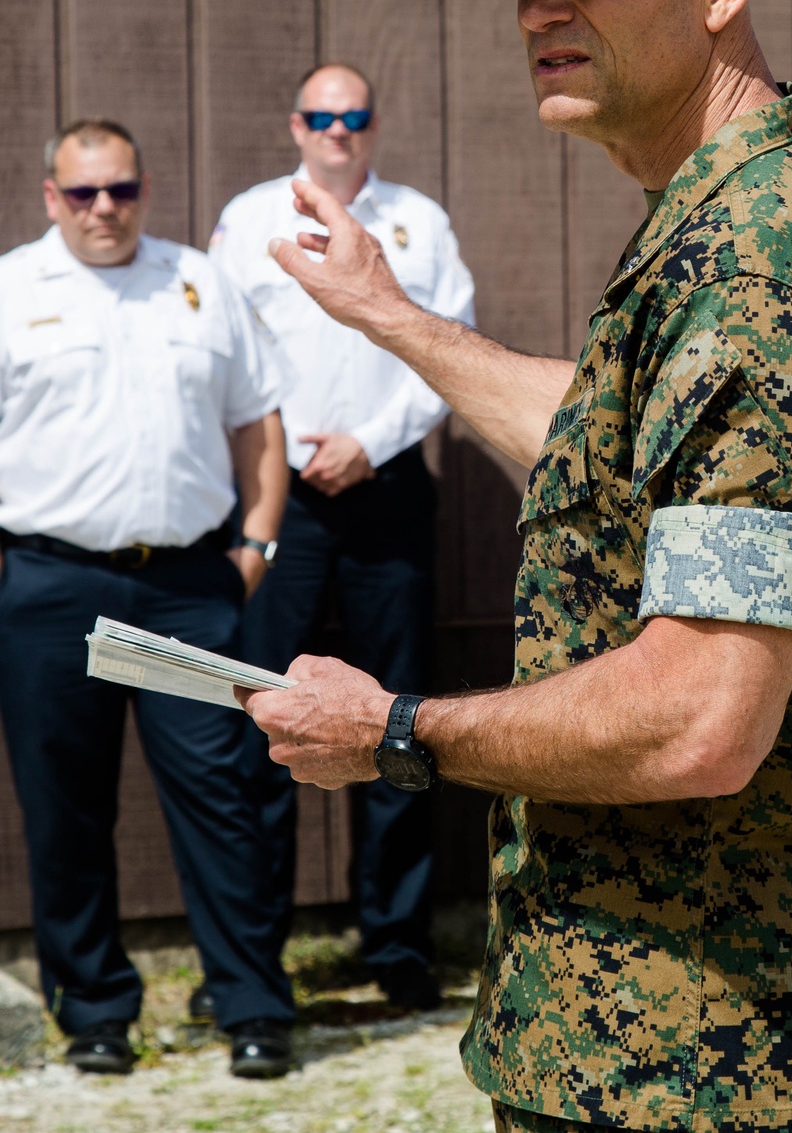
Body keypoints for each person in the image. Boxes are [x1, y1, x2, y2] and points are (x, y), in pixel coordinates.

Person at [239, 0, 792, 1132]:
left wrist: (394, 732)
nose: (539, 6)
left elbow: (700, 716)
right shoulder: (736, 218)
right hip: (677, 1039)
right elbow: (612, 451)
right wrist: (396, 322)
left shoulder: (766, 262)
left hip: (721, 1061)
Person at [0, 119, 296, 1078]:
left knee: (222, 797)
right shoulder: (11, 291)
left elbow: (258, 421)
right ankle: (93, 1013)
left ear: (145, 189)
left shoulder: (199, 281)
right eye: (83, 193)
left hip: (183, 587)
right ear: (52, 197)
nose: (103, 210)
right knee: (66, 808)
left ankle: (252, 1006)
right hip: (52, 585)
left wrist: (255, 545)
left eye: (120, 190)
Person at [208, 64, 474, 1010]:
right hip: (284, 506)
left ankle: (398, 949)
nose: (338, 130)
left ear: (372, 124)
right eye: (321, 117)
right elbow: (231, 366)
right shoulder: (247, 221)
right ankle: (255, 958)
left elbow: (449, 344)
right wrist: (273, 466)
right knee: (265, 722)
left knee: (395, 722)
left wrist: (373, 442)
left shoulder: (420, 222)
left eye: (354, 115)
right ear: (296, 125)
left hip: (386, 490)